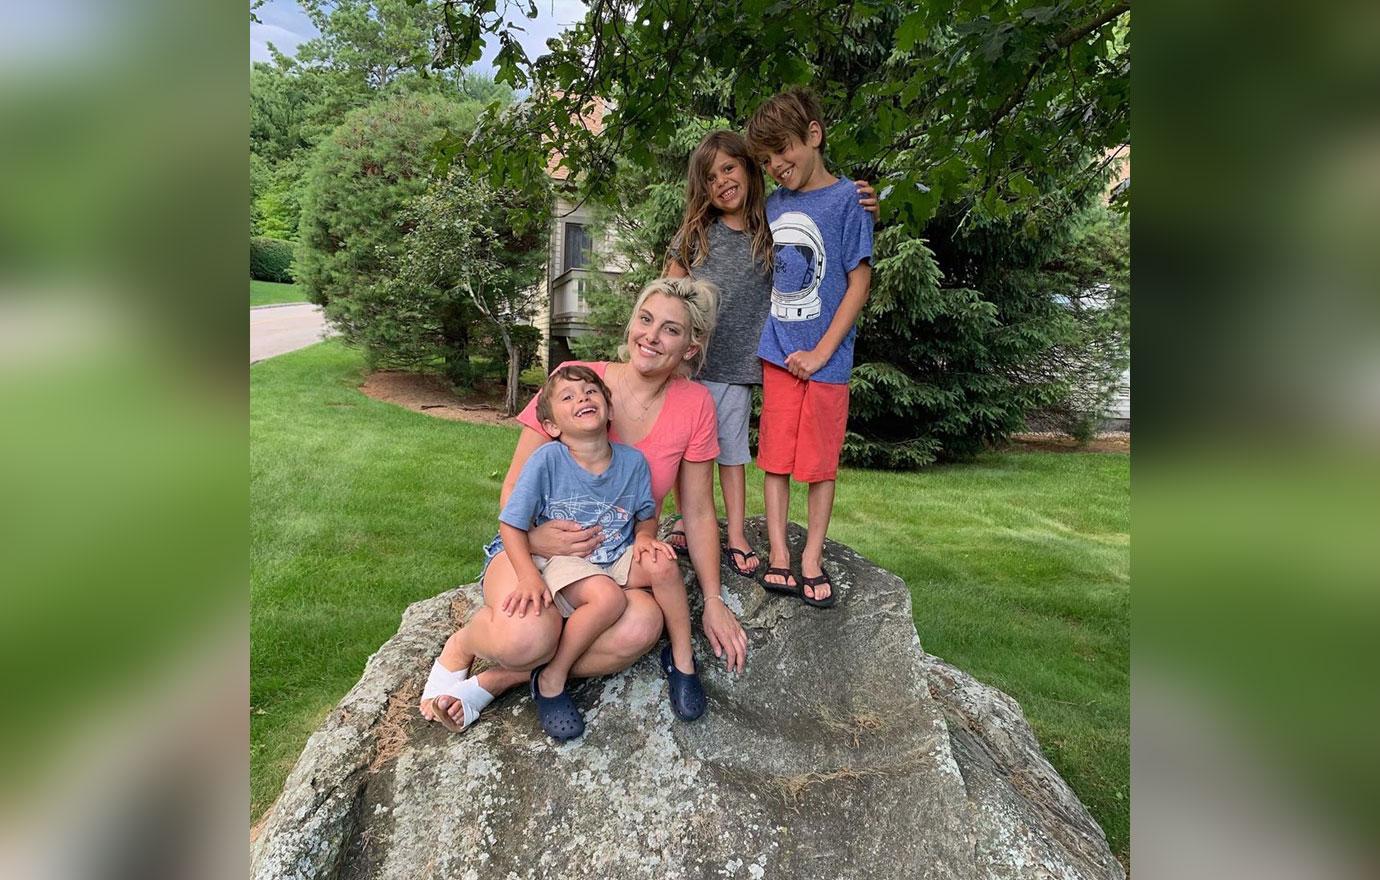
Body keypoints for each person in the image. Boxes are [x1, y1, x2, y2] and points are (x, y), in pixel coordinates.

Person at [419, 277, 747, 735]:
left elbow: (697, 511)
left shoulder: (694, 406)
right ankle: (465, 642)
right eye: (645, 320)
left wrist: (712, 600)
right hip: (536, 551)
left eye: (671, 330)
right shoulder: (574, 382)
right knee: (528, 636)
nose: (651, 336)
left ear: (690, 347)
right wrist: (535, 537)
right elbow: (515, 488)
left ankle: (504, 679)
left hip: (610, 557)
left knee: (641, 627)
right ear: (632, 324)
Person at [663, 130, 878, 579]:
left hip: (741, 363)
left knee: (734, 452)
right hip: (692, 364)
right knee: (689, 451)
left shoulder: (769, 221)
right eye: (709, 177)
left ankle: (738, 534)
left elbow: (820, 214)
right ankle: (687, 519)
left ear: (747, 168)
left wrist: (866, 201)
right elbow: (670, 289)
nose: (721, 181)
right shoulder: (696, 233)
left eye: (728, 168)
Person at [493, 364, 703, 740]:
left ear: (608, 409)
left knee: (663, 563)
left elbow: (645, 517)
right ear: (553, 425)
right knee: (606, 597)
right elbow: (511, 523)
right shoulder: (548, 460)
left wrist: (645, 538)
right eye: (568, 397)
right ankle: (552, 677)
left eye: (590, 392)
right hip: (564, 562)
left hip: (614, 555)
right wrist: (527, 575)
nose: (582, 399)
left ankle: (683, 661)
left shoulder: (633, 463)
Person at [744, 88, 875, 608]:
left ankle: (811, 557)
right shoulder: (773, 206)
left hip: (827, 362)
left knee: (820, 464)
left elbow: (858, 283)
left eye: (784, 150)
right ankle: (779, 552)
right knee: (775, 458)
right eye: (768, 158)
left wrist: (821, 353)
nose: (777, 165)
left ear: (814, 135)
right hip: (778, 353)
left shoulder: (849, 200)